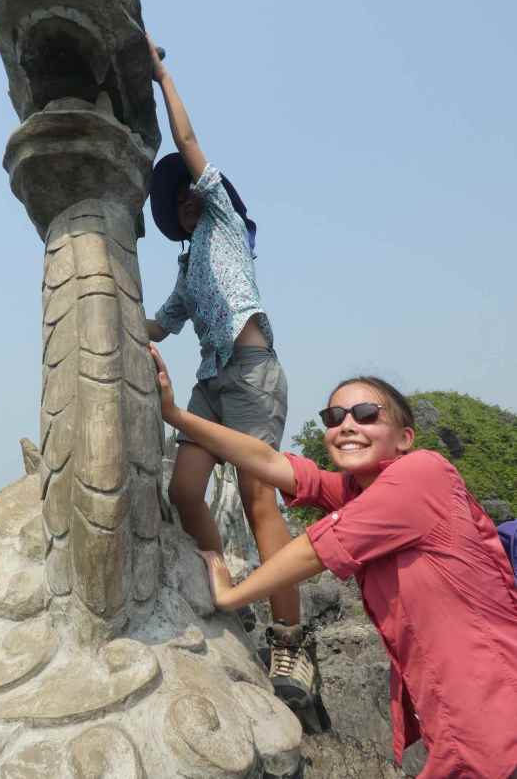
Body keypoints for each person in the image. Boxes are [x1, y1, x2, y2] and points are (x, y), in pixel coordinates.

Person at [149, 343, 517, 779]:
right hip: (457, 723)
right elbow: (267, 460)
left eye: (366, 414)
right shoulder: (360, 493)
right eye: (334, 417)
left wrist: (232, 595)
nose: (347, 426)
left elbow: (315, 549)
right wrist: (176, 415)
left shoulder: (423, 474)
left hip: (493, 717)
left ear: (405, 439)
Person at [144, 38, 314, 707]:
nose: (184, 200)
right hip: (209, 383)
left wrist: (162, 76)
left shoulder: (225, 223)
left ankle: (290, 638)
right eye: (177, 202)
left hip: (249, 373)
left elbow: (187, 141)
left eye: (188, 190)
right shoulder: (188, 268)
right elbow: (158, 325)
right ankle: (227, 590)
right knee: (185, 489)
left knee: (256, 495)